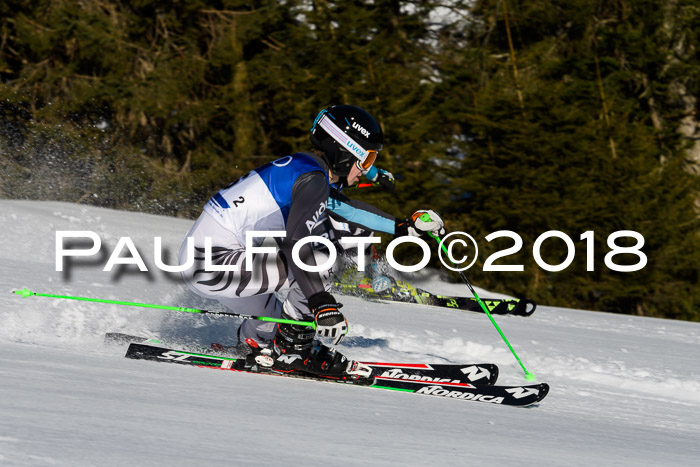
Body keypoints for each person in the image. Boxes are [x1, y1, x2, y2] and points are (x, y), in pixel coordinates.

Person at [178, 104, 445, 380]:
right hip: (215, 264)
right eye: (365, 161)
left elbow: (348, 210)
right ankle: (293, 352)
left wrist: (402, 227)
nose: (366, 170)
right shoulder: (312, 179)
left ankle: (257, 343)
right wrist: (321, 302)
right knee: (321, 255)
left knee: (273, 322)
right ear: (344, 153)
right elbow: (298, 243)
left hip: (208, 262)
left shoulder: (305, 169)